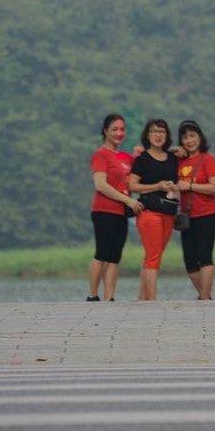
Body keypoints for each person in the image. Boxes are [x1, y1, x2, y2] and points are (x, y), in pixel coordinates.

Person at [87, 113, 144, 301]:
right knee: (102, 253)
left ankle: (109, 297)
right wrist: (128, 200)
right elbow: (101, 185)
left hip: (121, 213)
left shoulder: (126, 157)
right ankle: (93, 296)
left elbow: (145, 165)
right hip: (104, 210)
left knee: (114, 257)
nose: (119, 133)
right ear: (105, 131)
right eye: (114, 129)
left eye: (122, 129)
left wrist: (140, 154)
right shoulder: (100, 155)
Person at [129, 119, 179, 301]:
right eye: (154, 131)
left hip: (168, 212)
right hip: (149, 212)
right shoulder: (142, 160)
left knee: (153, 256)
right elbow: (132, 185)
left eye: (161, 131)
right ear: (147, 135)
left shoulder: (173, 158)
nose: (158, 135)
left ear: (167, 135)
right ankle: (152, 301)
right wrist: (157, 186)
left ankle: (142, 299)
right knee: (153, 256)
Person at [176, 120, 215, 300]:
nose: (189, 140)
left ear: (200, 137)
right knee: (189, 261)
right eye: (185, 137)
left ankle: (204, 297)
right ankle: (205, 295)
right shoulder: (179, 160)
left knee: (204, 258)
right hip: (187, 216)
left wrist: (189, 186)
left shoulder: (208, 159)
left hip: (207, 213)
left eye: (192, 136)